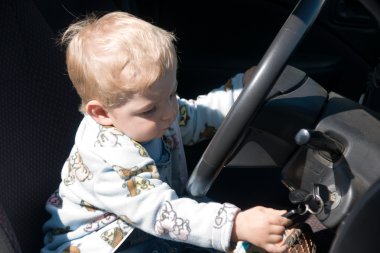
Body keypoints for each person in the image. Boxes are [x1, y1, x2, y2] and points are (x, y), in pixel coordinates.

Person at [41, 11, 291, 253]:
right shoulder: (108, 162)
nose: (169, 112)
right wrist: (236, 224)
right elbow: (162, 212)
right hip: (104, 245)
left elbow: (195, 118)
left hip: (148, 232)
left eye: (172, 94)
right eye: (150, 109)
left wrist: (241, 90)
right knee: (219, 227)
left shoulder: (152, 113)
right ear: (102, 113)